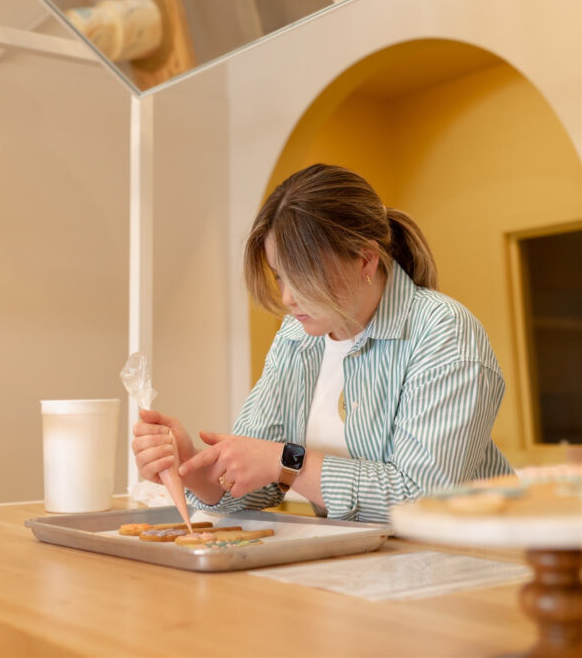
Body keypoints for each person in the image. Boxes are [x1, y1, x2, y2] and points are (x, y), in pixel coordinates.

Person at [133, 164, 512, 523]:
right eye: (280, 276)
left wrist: (288, 462)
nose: (287, 298)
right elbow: (256, 484)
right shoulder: (297, 337)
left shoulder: (443, 332)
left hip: (481, 564)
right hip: (373, 568)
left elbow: (422, 500)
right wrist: (193, 467)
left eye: (302, 276)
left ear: (365, 259)